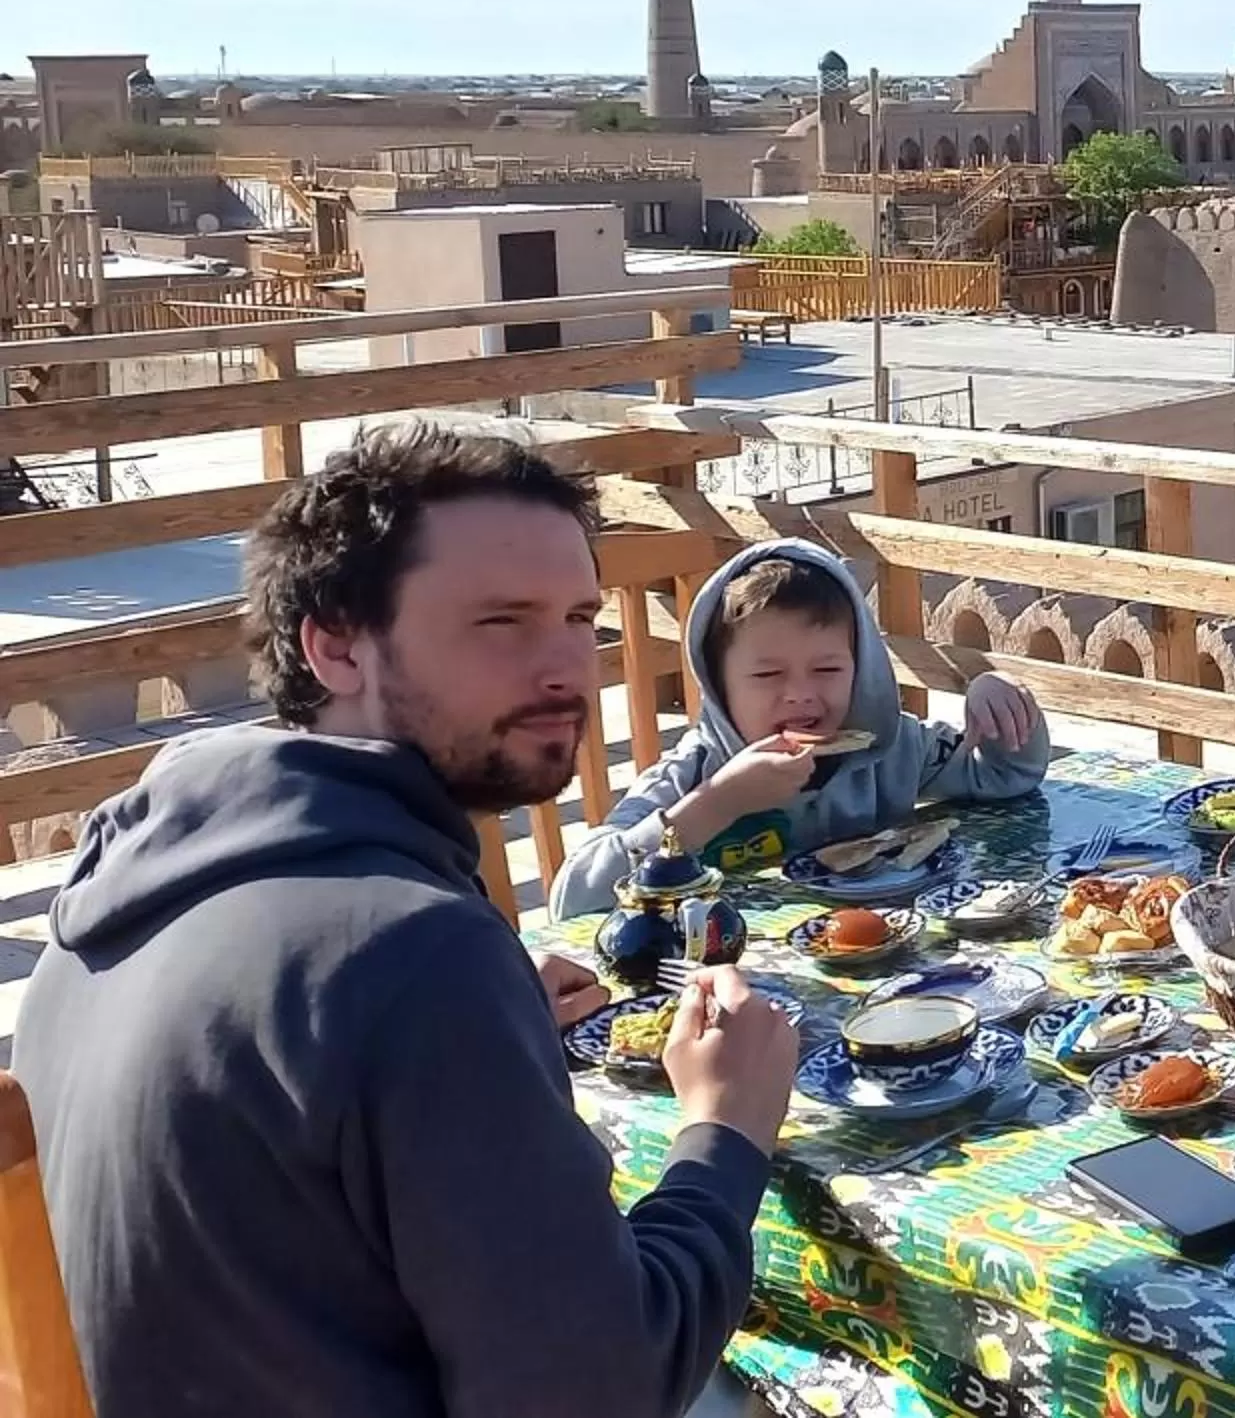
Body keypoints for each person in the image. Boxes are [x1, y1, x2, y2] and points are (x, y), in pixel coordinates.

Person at [16, 423, 802, 1418]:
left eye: (577, 616)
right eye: (502, 621)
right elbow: (603, 1386)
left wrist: (477, 1029)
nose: (569, 665)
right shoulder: (409, 954)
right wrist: (726, 1130)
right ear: (336, 642)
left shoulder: (130, 880)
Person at [549, 535, 1051, 919]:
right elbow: (572, 899)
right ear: (720, 687)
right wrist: (717, 802)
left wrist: (1002, 698)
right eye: (768, 675)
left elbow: (1006, 776)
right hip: (742, 1000)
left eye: (828, 670)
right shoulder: (694, 773)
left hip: (889, 959)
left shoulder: (891, 747)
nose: (800, 694)